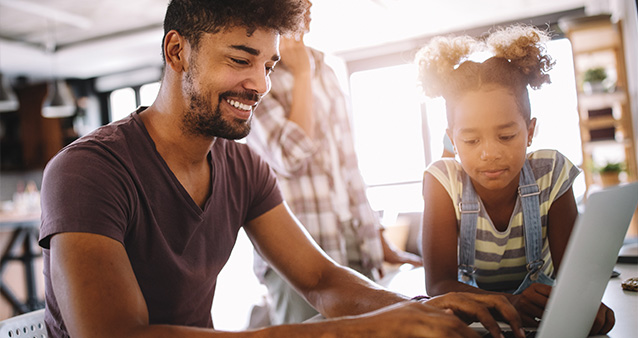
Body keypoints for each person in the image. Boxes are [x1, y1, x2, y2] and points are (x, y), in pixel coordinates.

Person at [38, 1, 527, 337]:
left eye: (269, 66)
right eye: (240, 59)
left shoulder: (242, 166)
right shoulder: (86, 172)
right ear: (176, 52)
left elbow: (321, 279)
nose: (259, 84)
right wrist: (361, 331)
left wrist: (430, 309)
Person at [415, 25, 615, 335]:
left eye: (506, 135)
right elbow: (438, 284)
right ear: (452, 139)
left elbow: (573, 277)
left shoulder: (551, 172)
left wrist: (585, 305)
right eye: (470, 140)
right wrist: (513, 302)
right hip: (479, 325)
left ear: (530, 131)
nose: (490, 153)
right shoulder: (443, 180)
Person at [245, 0, 422, 325]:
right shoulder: (256, 76)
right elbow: (291, 155)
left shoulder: (322, 67)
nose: (309, 4)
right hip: (297, 252)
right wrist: (299, 74)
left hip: (354, 241)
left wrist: (378, 239)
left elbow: (348, 166)